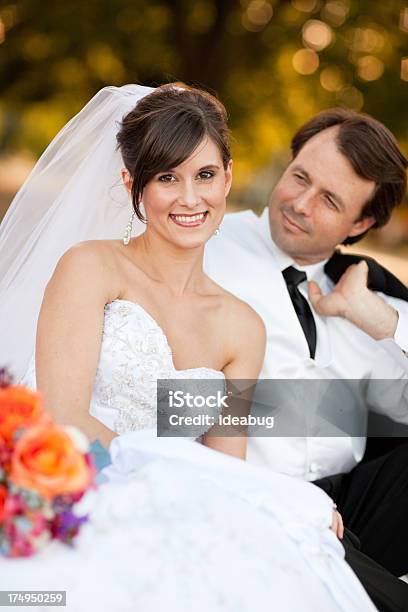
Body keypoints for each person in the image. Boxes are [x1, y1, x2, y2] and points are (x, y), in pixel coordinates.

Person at [0, 85, 376, 612]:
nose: (189, 198)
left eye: (204, 175)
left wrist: (288, 498)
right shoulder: (91, 267)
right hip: (77, 491)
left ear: (227, 176)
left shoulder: (242, 328)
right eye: (165, 178)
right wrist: (174, 481)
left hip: (174, 511)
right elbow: (65, 416)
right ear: (133, 184)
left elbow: (225, 464)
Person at [205, 107, 408, 611]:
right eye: (299, 177)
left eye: (329, 200)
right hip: (252, 501)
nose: (299, 203)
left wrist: (384, 323)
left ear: (360, 222)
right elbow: (165, 402)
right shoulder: (208, 249)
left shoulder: (369, 290)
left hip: (353, 507)